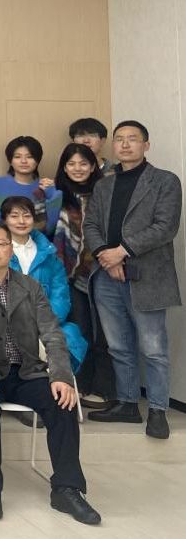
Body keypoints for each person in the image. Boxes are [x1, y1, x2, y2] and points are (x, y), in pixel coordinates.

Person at [0, 221, 100, 524]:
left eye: (0, 244)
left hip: (26, 371)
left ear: (11, 249)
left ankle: (67, 489)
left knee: (62, 402)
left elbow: (52, 333)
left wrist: (61, 376)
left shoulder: (29, 286)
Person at [84, 121, 182, 438]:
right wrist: (105, 255)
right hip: (106, 274)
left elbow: (165, 227)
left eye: (133, 139)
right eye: (119, 139)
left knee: (153, 348)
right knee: (118, 345)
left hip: (147, 275)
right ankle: (127, 403)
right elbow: (90, 225)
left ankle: (157, 410)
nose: (125, 145)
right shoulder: (104, 185)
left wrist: (121, 252)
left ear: (146, 145)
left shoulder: (165, 181)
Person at [0, 196, 87, 371]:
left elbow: (60, 296)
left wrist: (43, 323)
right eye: (14, 216)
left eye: (27, 215)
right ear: (4, 220)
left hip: (46, 324)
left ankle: (60, 383)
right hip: (6, 325)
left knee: (69, 336)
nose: (21, 221)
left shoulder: (49, 254)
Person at [53, 143, 116, 408]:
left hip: (104, 272)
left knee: (107, 334)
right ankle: (81, 385)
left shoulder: (106, 193)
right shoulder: (55, 196)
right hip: (68, 276)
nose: (77, 169)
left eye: (83, 163)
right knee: (80, 333)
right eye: (71, 164)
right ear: (64, 168)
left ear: (92, 167)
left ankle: (104, 390)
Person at [0, 135, 62, 235]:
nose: (23, 161)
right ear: (10, 161)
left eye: (29, 157)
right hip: (0, 241)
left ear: (37, 160)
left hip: (37, 242)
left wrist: (53, 195)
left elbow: (51, 228)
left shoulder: (46, 187)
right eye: (17, 157)